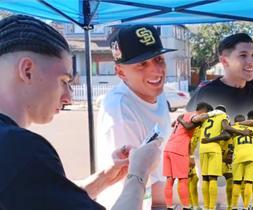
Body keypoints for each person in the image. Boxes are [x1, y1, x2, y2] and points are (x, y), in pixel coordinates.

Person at [0, 15, 161, 210]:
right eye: (64, 81)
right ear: (27, 71)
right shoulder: (20, 149)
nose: (69, 97)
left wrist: (103, 179)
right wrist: (139, 173)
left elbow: (47, 199)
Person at [95, 24, 176, 209]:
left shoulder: (156, 93)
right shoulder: (120, 110)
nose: (156, 71)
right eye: (142, 64)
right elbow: (140, 187)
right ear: (121, 72)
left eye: (159, 59)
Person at [186, 16, 253, 117]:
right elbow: (186, 130)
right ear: (224, 61)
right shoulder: (207, 94)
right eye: (243, 55)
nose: (251, 61)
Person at [163, 102, 212, 210]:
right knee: (183, 180)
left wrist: (190, 156)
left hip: (168, 148)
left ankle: (169, 206)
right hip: (178, 150)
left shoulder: (186, 115)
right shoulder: (195, 117)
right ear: (204, 111)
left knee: (169, 180)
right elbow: (189, 126)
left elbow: (174, 125)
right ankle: (186, 206)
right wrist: (180, 120)